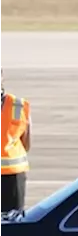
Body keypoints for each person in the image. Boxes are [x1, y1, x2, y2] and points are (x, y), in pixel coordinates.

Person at [0, 79, 31, 213]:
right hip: (13, 176)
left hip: (13, 175)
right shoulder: (19, 106)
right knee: (12, 223)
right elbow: (26, 143)